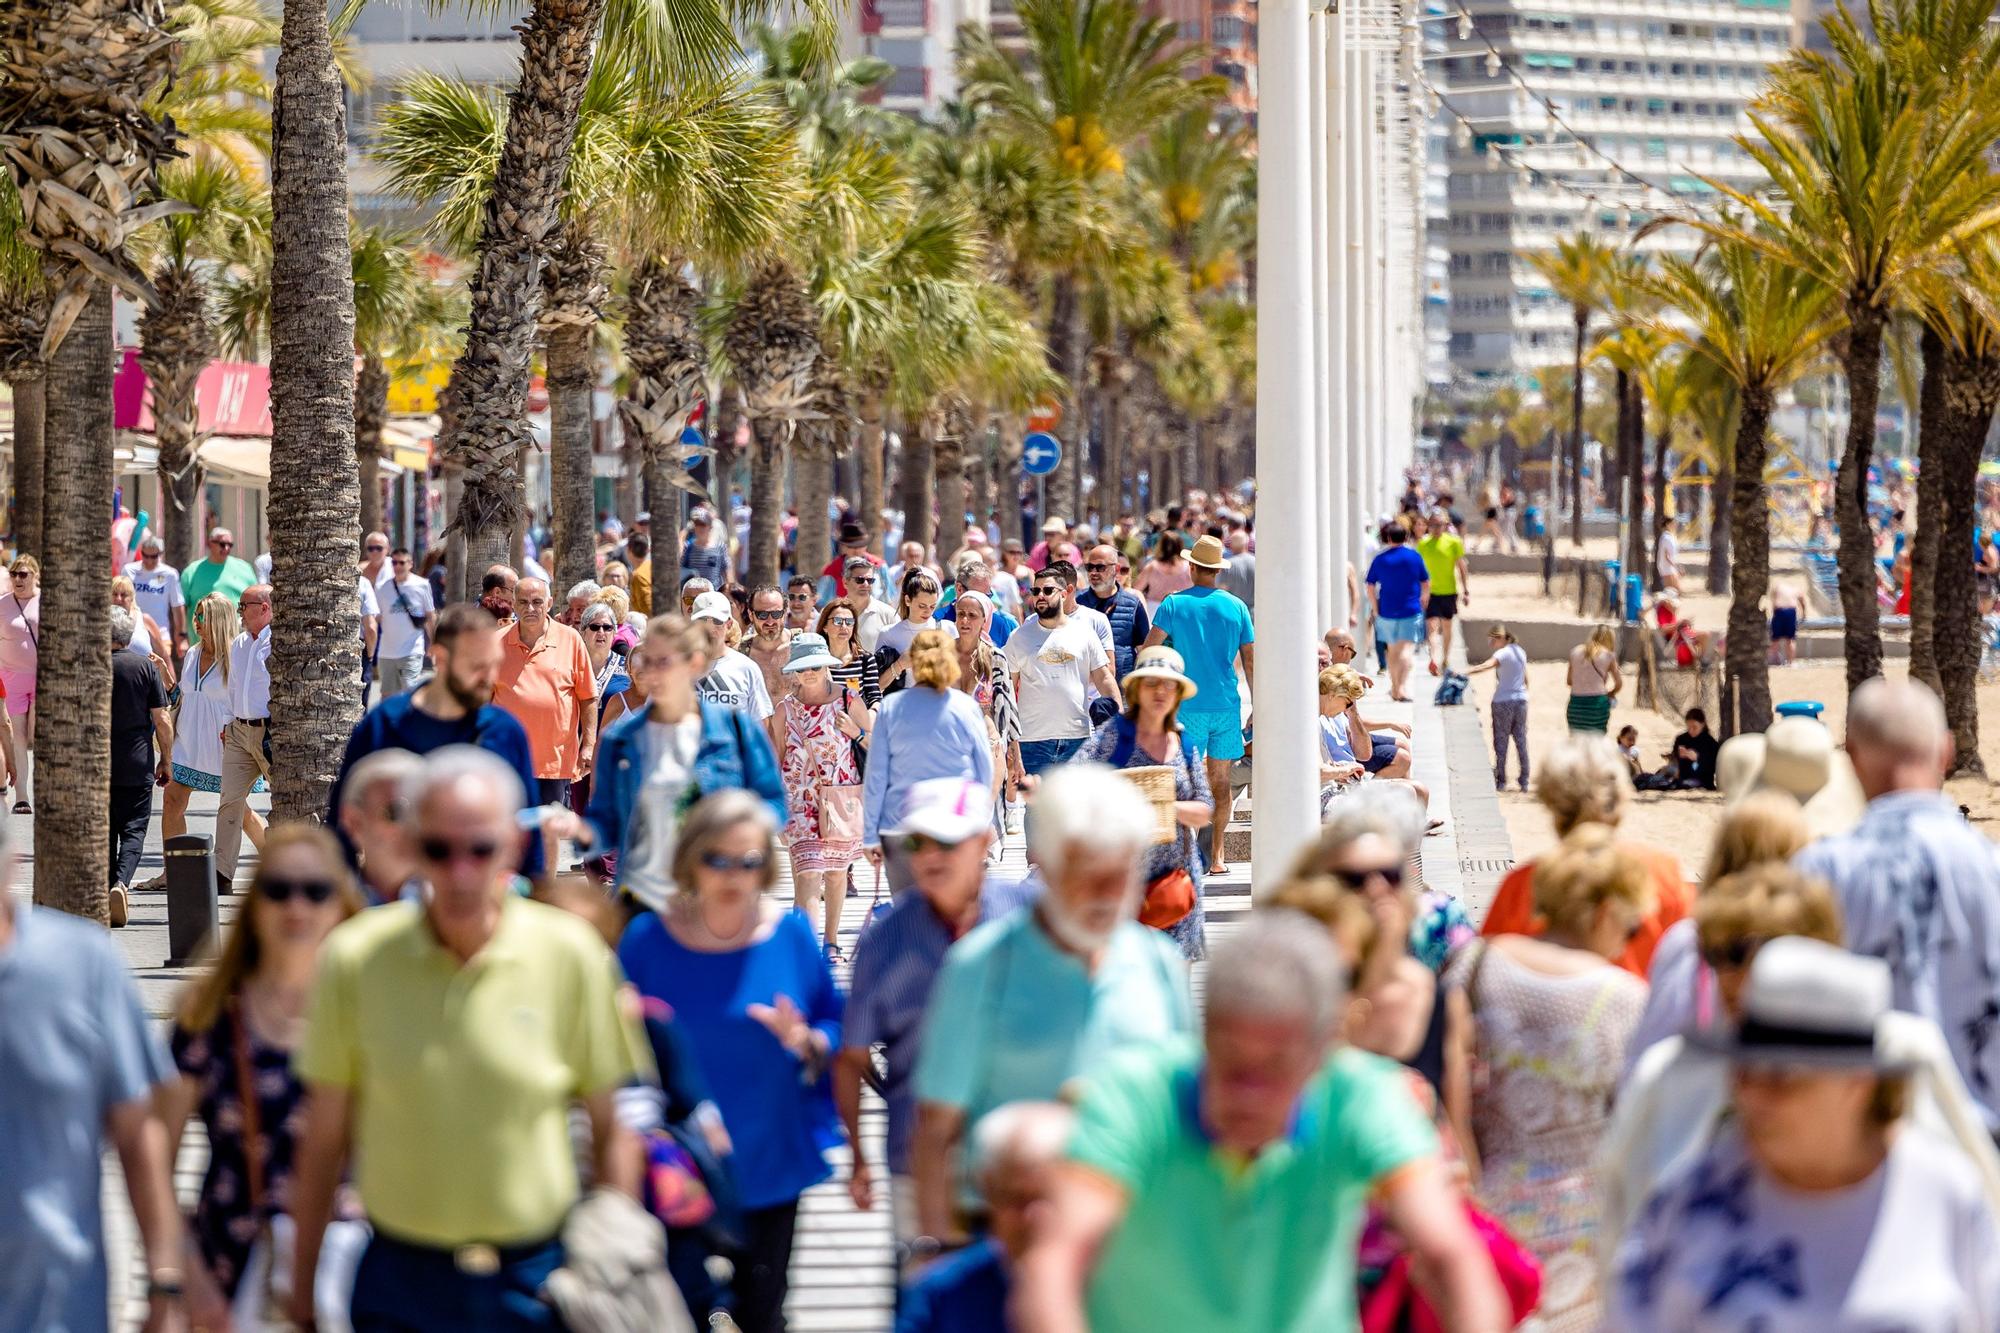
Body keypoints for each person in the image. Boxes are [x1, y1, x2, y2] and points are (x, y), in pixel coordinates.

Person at [1012, 910, 1511, 1333]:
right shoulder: (1137, 1095)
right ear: (1203, 1037)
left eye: (1275, 1068)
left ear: (1323, 1053)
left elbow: (1450, 1255)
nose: (1248, 1093)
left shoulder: (1363, 1095)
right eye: (1230, 1062)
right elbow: (1055, 1260)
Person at [290, 749, 643, 1331]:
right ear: (410, 842)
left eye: (478, 849)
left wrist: (611, 1264)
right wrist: (303, 1289)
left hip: (537, 1282)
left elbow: (611, 1127)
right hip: (399, 1284)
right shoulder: (355, 959)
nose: (459, 871)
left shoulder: (571, 954)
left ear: (510, 843)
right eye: (438, 849)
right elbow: (323, 1139)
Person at [1609, 938, 2000, 1331]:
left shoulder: (1945, 1192)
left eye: (1783, 1077)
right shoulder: (1688, 1201)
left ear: (1858, 1084)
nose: (1754, 1094)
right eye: (1744, 1070)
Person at [911, 764, 1192, 1248]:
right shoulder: (982, 966)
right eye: (1090, 874)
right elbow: (936, 1129)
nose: (1108, 895)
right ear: (1049, 864)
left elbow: (1183, 1110)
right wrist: (937, 1251)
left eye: (1121, 874)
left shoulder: (1158, 962)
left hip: (1132, 1238)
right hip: (1006, 1237)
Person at [617, 790, 843, 1333]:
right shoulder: (647, 940)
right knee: (682, 1314)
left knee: (764, 1313)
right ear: (690, 858)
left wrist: (808, 1040)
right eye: (719, 858)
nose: (735, 874)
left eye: (751, 860)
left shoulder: (790, 935)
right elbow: (616, 1045)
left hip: (770, 1157)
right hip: (678, 1168)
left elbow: (836, 1025)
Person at [1446, 825, 1651, 1332]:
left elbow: (1446, 1084)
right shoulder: (1624, 998)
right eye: (1631, 927)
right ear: (1606, 912)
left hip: (1484, 1204)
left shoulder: (1475, 964)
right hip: (1585, 1221)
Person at [160, 826, 365, 1324]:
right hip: (231, 1263)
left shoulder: (375, 1013)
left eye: (316, 891)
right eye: (278, 890)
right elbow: (153, 1157)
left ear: (340, 904)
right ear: (254, 905)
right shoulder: (208, 1016)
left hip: (356, 1267)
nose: (297, 906)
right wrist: (186, 1278)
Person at [0, 815, 187, 1333]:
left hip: (56, 1306)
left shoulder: (79, 963)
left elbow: (139, 1129)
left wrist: (164, 1283)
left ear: (9, 864)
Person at [837, 778, 1037, 1251]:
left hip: (1019, 1160)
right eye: (917, 841)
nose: (931, 855)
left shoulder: (1031, 918)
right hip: (918, 1159)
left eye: (948, 841)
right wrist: (858, 1156)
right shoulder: (884, 942)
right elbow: (851, 1056)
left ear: (985, 841)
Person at [1795, 677, 2000, 1133]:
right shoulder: (1992, 868)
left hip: (1871, 1157)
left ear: (1850, 755)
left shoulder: (1818, 875)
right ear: (1945, 752)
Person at [584, 614, 788, 913]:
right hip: (644, 896)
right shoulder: (622, 739)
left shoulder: (737, 730)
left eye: (663, 662)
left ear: (694, 664)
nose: (652, 673)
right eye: (646, 662)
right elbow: (605, 819)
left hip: (718, 890)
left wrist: (739, 827)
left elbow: (774, 804)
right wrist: (577, 830)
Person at [328, 603, 543, 880]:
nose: (489, 678)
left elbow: (527, 834)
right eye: (477, 666)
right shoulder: (382, 726)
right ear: (440, 658)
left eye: (494, 665)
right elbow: (341, 828)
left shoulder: (505, 732)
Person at [1479, 735, 1694, 976]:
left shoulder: (1521, 885)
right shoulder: (1664, 874)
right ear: (1620, 797)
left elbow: (1484, 977)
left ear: (1551, 801)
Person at [1078, 646, 1213, 959]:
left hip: (1176, 884)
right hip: (1122, 884)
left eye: (1169, 685)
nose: (1160, 692)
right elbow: (1076, 779)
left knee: (1176, 980)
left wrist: (1163, 806)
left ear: (1178, 694)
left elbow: (1204, 809)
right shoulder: (1115, 736)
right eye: (1152, 683)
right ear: (1137, 689)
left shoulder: (1184, 742)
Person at [896, 1102, 1071, 1333]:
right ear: (987, 1190)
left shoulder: (1120, 1289)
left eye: (1048, 1199)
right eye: (1017, 1200)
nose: (1032, 1216)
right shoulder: (942, 1294)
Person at [861, 629, 993, 891]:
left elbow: (876, 775)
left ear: (913, 660)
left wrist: (869, 836)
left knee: (908, 916)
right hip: (956, 825)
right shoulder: (966, 708)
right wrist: (981, 823)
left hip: (902, 826)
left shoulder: (891, 707)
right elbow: (984, 771)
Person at [775, 633, 871, 961]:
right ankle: (807, 953)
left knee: (835, 873)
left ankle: (830, 941)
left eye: (815, 666)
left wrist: (855, 732)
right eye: (802, 668)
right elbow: (776, 760)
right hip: (799, 803)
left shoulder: (848, 700)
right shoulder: (784, 709)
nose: (809, 673)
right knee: (809, 874)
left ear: (827, 666)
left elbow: (877, 745)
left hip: (841, 800)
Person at [490, 576, 598, 810]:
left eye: (537, 601)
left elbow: (588, 696)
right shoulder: (495, 642)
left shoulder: (571, 639)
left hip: (554, 763)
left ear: (549, 603)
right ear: (514, 605)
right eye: (523, 602)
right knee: (510, 834)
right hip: (506, 759)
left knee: (547, 835)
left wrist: (588, 745)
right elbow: (480, 701)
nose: (530, 608)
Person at [1006, 565, 1116, 777]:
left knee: (1076, 808)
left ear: (1064, 594)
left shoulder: (1085, 633)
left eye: (1047, 591)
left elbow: (1104, 678)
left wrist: (1120, 722)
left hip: (1078, 738)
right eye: (1036, 591)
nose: (1040, 596)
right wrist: (1011, 741)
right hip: (1032, 741)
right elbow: (1008, 691)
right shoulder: (1019, 637)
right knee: (1035, 810)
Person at [106, 604, 173, 925]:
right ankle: (120, 884)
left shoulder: (94, 666)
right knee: (134, 830)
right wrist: (166, 760)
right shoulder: (145, 668)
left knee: (104, 830)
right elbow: (162, 720)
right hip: (137, 761)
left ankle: (106, 887)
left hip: (99, 762)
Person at [213, 583, 274, 889]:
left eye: (244, 606)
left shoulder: (278, 641)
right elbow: (232, 686)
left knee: (286, 796)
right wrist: (227, 722)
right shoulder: (239, 644)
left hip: (269, 732)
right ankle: (221, 874)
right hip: (238, 730)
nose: (239, 612)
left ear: (264, 608)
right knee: (230, 800)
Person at [951, 591, 1023, 813]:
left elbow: (1008, 708)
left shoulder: (995, 657)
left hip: (987, 745)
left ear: (985, 620)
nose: (964, 620)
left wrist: (1016, 755)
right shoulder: (942, 655)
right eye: (960, 614)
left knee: (985, 817)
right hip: (949, 745)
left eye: (972, 615)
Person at [335, 748, 424, 905]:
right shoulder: (328, 911)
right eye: (396, 813)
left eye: (420, 814)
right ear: (354, 822)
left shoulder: (455, 909)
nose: (411, 829)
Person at [1366, 523, 1429, 702]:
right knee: (1407, 650)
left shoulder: (1380, 559)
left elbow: (1370, 586)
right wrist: (1424, 600)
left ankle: (1394, 688)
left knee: (1392, 651)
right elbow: (1425, 582)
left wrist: (1375, 608)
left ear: (1388, 538)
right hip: (1410, 609)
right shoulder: (1414, 557)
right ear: (1406, 537)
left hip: (1386, 610)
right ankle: (1401, 688)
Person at [1466, 622, 1530, 791]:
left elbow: (1487, 665)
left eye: (1492, 641)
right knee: (1521, 741)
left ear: (1500, 638)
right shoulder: (1520, 652)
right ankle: (1524, 780)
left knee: (1501, 743)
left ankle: (1501, 780)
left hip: (1503, 701)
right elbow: (1526, 679)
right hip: (1521, 700)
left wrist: (1465, 672)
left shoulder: (1503, 653)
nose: (1491, 645)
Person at [1076, 542, 1150, 681]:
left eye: (1100, 567)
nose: (1093, 572)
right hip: (1085, 690)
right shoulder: (1077, 603)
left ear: (1116, 569)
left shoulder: (1133, 605)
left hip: (1123, 690)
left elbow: (1144, 651)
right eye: (1089, 567)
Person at [878, 568, 955, 693]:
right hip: (904, 703)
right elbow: (876, 688)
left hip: (938, 701)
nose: (928, 611)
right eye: (922, 606)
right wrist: (899, 665)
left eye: (932, 606)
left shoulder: (947, 628)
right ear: (908, 600)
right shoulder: (888, 633)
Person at [373, 546, 436, 698]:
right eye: (394, 563)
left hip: (412, 650)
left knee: (410, 694)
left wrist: (434, 643)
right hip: (386, 652)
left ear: (410, 564)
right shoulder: (382, 588)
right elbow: (376, 617)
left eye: (401, 563)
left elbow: (430, 616)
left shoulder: (422, 585)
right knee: (387, 696)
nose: (397, 567)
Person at [1416, 512, 1469, 674]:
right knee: (1431, 627)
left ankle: (1445, 659)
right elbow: (1418, 570)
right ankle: (1433, 659)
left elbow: (1461, 566)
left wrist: (1466, 590)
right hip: (1429, 593)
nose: (1436, 528)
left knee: (1447, 627)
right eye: (1432, 525)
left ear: (1446, 525)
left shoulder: (1454, 542)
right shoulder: (1423, 543)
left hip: (1449, 591)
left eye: (1439, 524)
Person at [124, 532, 188, 658]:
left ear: (160, 554)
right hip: (133, 633)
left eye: (153, 557)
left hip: (161, 635)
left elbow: (177, 606)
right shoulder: (129, 570)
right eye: (145, 556)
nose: (148, 560)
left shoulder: (170, 574)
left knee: (162, 671)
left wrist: (180, 636)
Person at [817, 597, 881, 706]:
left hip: (855, 722)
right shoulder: (816, 661)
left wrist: (872, 714)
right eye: (837, 621)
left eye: (849, 622)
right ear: (825, 627)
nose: (844, 627)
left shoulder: (866, 659)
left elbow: (874, 698)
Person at [744, 585, 797, 707]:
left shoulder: (803, 647)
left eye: (776, 614)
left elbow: (826, 693)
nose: (770, 621)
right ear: (751, 615)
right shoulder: (741, 653)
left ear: (785, 613)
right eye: (762, 615)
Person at [1565, 623, 1622, 734]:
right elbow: (1619, 683)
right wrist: (1611, 693)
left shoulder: (1575, 651)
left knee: (1576, 745)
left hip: (1576, 704)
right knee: (1596, 745)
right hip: (1598, 705)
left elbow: (1569, 681)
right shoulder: (1608, 655)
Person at [836, 553, 897, 654]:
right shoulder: (831, 612)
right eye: (859, 580)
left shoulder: (889, 614)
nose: (865, 584)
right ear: (845, 582)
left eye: (870, 580)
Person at [181, 526, 258, 606]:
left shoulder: (245, 569)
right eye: (222, 544)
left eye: (230, 545)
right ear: (210, 543)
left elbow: (256, 600)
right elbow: (181, 606)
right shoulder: (191, 572)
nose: (227, 548)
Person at [1648, 706, 1720, 790]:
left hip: (1701, 779)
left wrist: (1698, 758)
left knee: (1683, 783)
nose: (1691, 731)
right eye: (1689, 727)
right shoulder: (1681, 739)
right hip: (1681, 775)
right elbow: (1675, 761)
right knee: (1658, 778)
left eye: (1694, 727)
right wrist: (1678, 756)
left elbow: (1712, 768)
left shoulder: (1710, 743)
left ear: (1703, 724)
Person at [819, 521, 883, 601]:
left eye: (859, 545)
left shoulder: (879, 566)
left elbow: (888, 598)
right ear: (844, 546)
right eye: (851, 546)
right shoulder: (832, 570)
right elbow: (822, 600)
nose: (855, 550)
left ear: (866, 545)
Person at [1132, 529, 1192, 613]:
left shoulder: (1152, 567)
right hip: (1182, 610)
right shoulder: (1189, 568)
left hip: (1155, 610)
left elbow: (1136, 589)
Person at [678, 505, 730, 587]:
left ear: (710, 527)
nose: (700, 528)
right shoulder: (688, 547)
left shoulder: (720, 547)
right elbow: (680, 569)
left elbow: (726, 571)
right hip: (694, 594)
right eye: (697, 525)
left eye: (703, 525)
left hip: (714, 593)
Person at [1215, 529, 1255, 611]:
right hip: (1254, 613)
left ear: (1231, 545)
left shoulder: (1227, 565)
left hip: (1234, 611)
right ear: (1247, 544)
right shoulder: (1256, 562)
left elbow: (1220, 590)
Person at [1769, 575, 1802, 665]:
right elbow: (1802, 600)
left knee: (1775, 638)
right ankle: (1791, 662)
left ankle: (1772, 660)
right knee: (1790, 639)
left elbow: (1773, 600)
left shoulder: (1778, 587)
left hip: (1779, 611)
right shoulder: (1795, 588)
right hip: (1791, 612)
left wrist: (1773, 613)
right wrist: (1804, 613)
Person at [623, 531, 653, 615]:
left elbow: (648, 609)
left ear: (628, 550)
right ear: (648, 550)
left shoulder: (638, 575)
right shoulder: (653, 567)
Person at [1655, 512, 1682, 593]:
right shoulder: (1666, 538)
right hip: (1668, 568)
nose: (1675, 525)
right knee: (1674, 592)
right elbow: (1667, 556)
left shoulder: (1670, 536)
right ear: (1667, 524)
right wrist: (1677, 567)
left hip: (1670, 568)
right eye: (1673, 523)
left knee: (1672, 593)